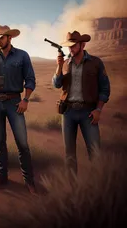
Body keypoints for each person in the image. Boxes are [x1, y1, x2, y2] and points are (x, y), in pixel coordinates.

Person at [0, 25, 37, 194]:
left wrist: (26, 100)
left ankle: (29, 181)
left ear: (9, 38)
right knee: (0, 143)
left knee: (22, 144)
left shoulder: (22, 55)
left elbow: (30, 80)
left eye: (1, 38)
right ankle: (2, 176)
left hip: (15, 103)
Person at [52, 30, 110, 176]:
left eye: (73, 45)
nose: (70, 49)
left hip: (88, 112)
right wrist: (59, 67)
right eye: (69, 46)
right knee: (69, 154)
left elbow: (105, 88)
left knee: (95, 151)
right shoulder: (65, 64)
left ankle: (97, 186)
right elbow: (56, 84)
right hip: (68, 112)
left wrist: (98, 110)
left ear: (82, 45)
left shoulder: (96, 63)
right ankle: (72, 187)